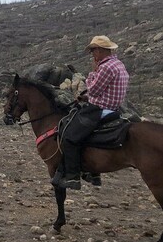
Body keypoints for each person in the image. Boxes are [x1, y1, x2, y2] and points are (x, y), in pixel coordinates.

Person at [54, 35, 129, 190]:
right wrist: (86, 97)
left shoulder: (106, 67)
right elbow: (104, 90)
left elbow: (94, 90)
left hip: (101, 109)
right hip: (113, 107)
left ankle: (73, 177)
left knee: (69, 135)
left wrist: (92, 74)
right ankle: (92, 173)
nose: (92, 54)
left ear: (101, 50)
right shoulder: (118, 63)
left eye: (93, 50)